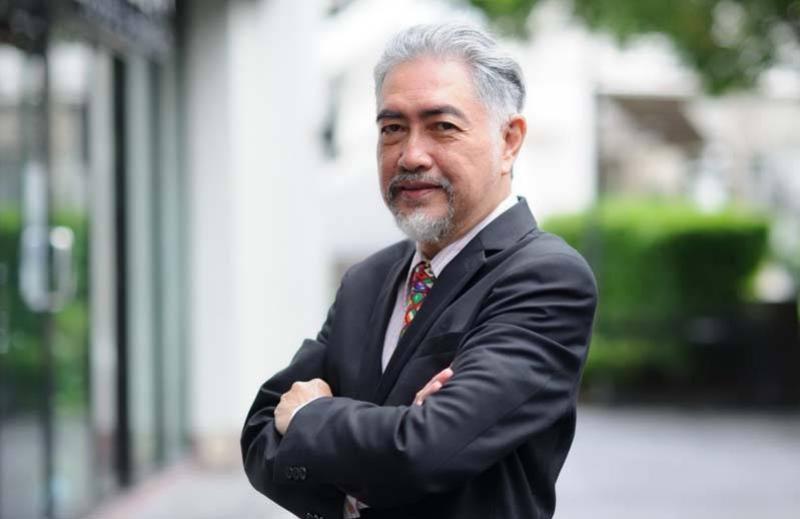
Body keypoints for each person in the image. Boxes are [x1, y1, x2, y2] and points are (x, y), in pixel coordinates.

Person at [241, 23, 597, 519]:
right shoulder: (367, 281)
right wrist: (366, 473)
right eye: (392, 129)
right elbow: (259, 432)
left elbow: (426, 450)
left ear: (509, 140)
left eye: (442, 126)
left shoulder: (546, 278)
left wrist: (310, 417)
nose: (411, 155)